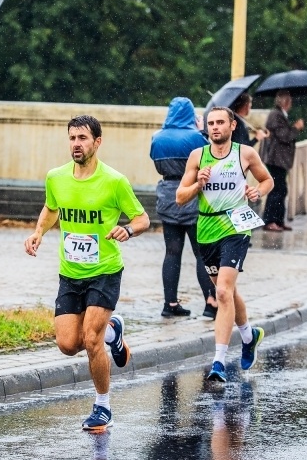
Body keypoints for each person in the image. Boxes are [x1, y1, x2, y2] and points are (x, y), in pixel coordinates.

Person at [24, 115, 150, 431]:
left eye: (82, 138)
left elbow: (142, 218)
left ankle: (102, 406)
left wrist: (128, 231)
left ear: (97, 142)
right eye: (72, 138)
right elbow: (52, 207)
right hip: (70, 273)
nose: (76, 144)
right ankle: (114, 333)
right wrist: (39, 232)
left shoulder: (114, 181)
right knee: (68, 344)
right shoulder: (56, 177)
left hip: (105, 271)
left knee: (91, 339)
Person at [176, 106, 274, 382]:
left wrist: (257, 190)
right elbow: (180, 197)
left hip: (235, 225)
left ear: (232, 126)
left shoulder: (245, 153)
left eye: (221, 122)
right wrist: (197, 184)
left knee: (222, 292)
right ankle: (249, 335)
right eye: (211, 123)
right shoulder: (198, 156)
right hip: (206, 228)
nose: (215, 127)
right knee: (227, 291)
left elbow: (267, 180)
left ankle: (218, 361)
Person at [149, 97, 217, 318]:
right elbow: (210, 159)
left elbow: (154, 159)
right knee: (202, 253)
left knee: (172, 251)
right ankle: (210, 302)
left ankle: (170, 303)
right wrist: (202, 132)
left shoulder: (157, 138)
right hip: (193, 194)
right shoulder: (196, 138)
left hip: (167, 193)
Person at [260, 90, 304, 231]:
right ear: (285, 102)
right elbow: (284, 136)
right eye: (289, 101)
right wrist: (296, 128)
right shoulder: (276, 115)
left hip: (279, 160)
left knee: (282, 189)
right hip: (275, 159)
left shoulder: (280, 115)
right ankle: (270, 220)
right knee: (276, 190)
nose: (291, 104)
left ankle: (278, 220)